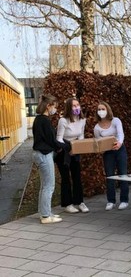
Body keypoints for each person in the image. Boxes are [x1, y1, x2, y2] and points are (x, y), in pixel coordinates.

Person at [32, 94, 64, 224]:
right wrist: (65, 146)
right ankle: (45, 215)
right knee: (49, 186)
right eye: (54, 106)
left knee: (44, 186)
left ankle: (45, 212)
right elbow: (51, 140)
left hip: (40, 154)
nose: (54, 109)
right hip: (44, 154)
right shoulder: (44, 120)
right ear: (48, 106)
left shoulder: (38, 119)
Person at [56, 97, 89, 213]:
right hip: (63, 150)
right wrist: (68, 148)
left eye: (78, 105)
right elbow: (59, 138)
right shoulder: (63, 120)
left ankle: (80, 202)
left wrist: (76, 148)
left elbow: (81, 135)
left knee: (77, 176)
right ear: (69, 108)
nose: (76, 108)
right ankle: (67, 204)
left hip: (75, 147)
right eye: (74, 106)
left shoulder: (82, 120)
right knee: (66, 178)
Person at [94, 101, 129, 210]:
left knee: (122, 174)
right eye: (99, 109)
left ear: (107, 110)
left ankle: (124, 200)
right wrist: (100, 149)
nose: (101, 111)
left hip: (119, 149)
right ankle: (111, 201)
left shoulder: (116, 121)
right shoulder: (97, 127)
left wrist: (119, 143)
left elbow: (120, 133)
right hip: (108, 153)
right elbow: (98, 141)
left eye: (103, 109)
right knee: (109, 176)